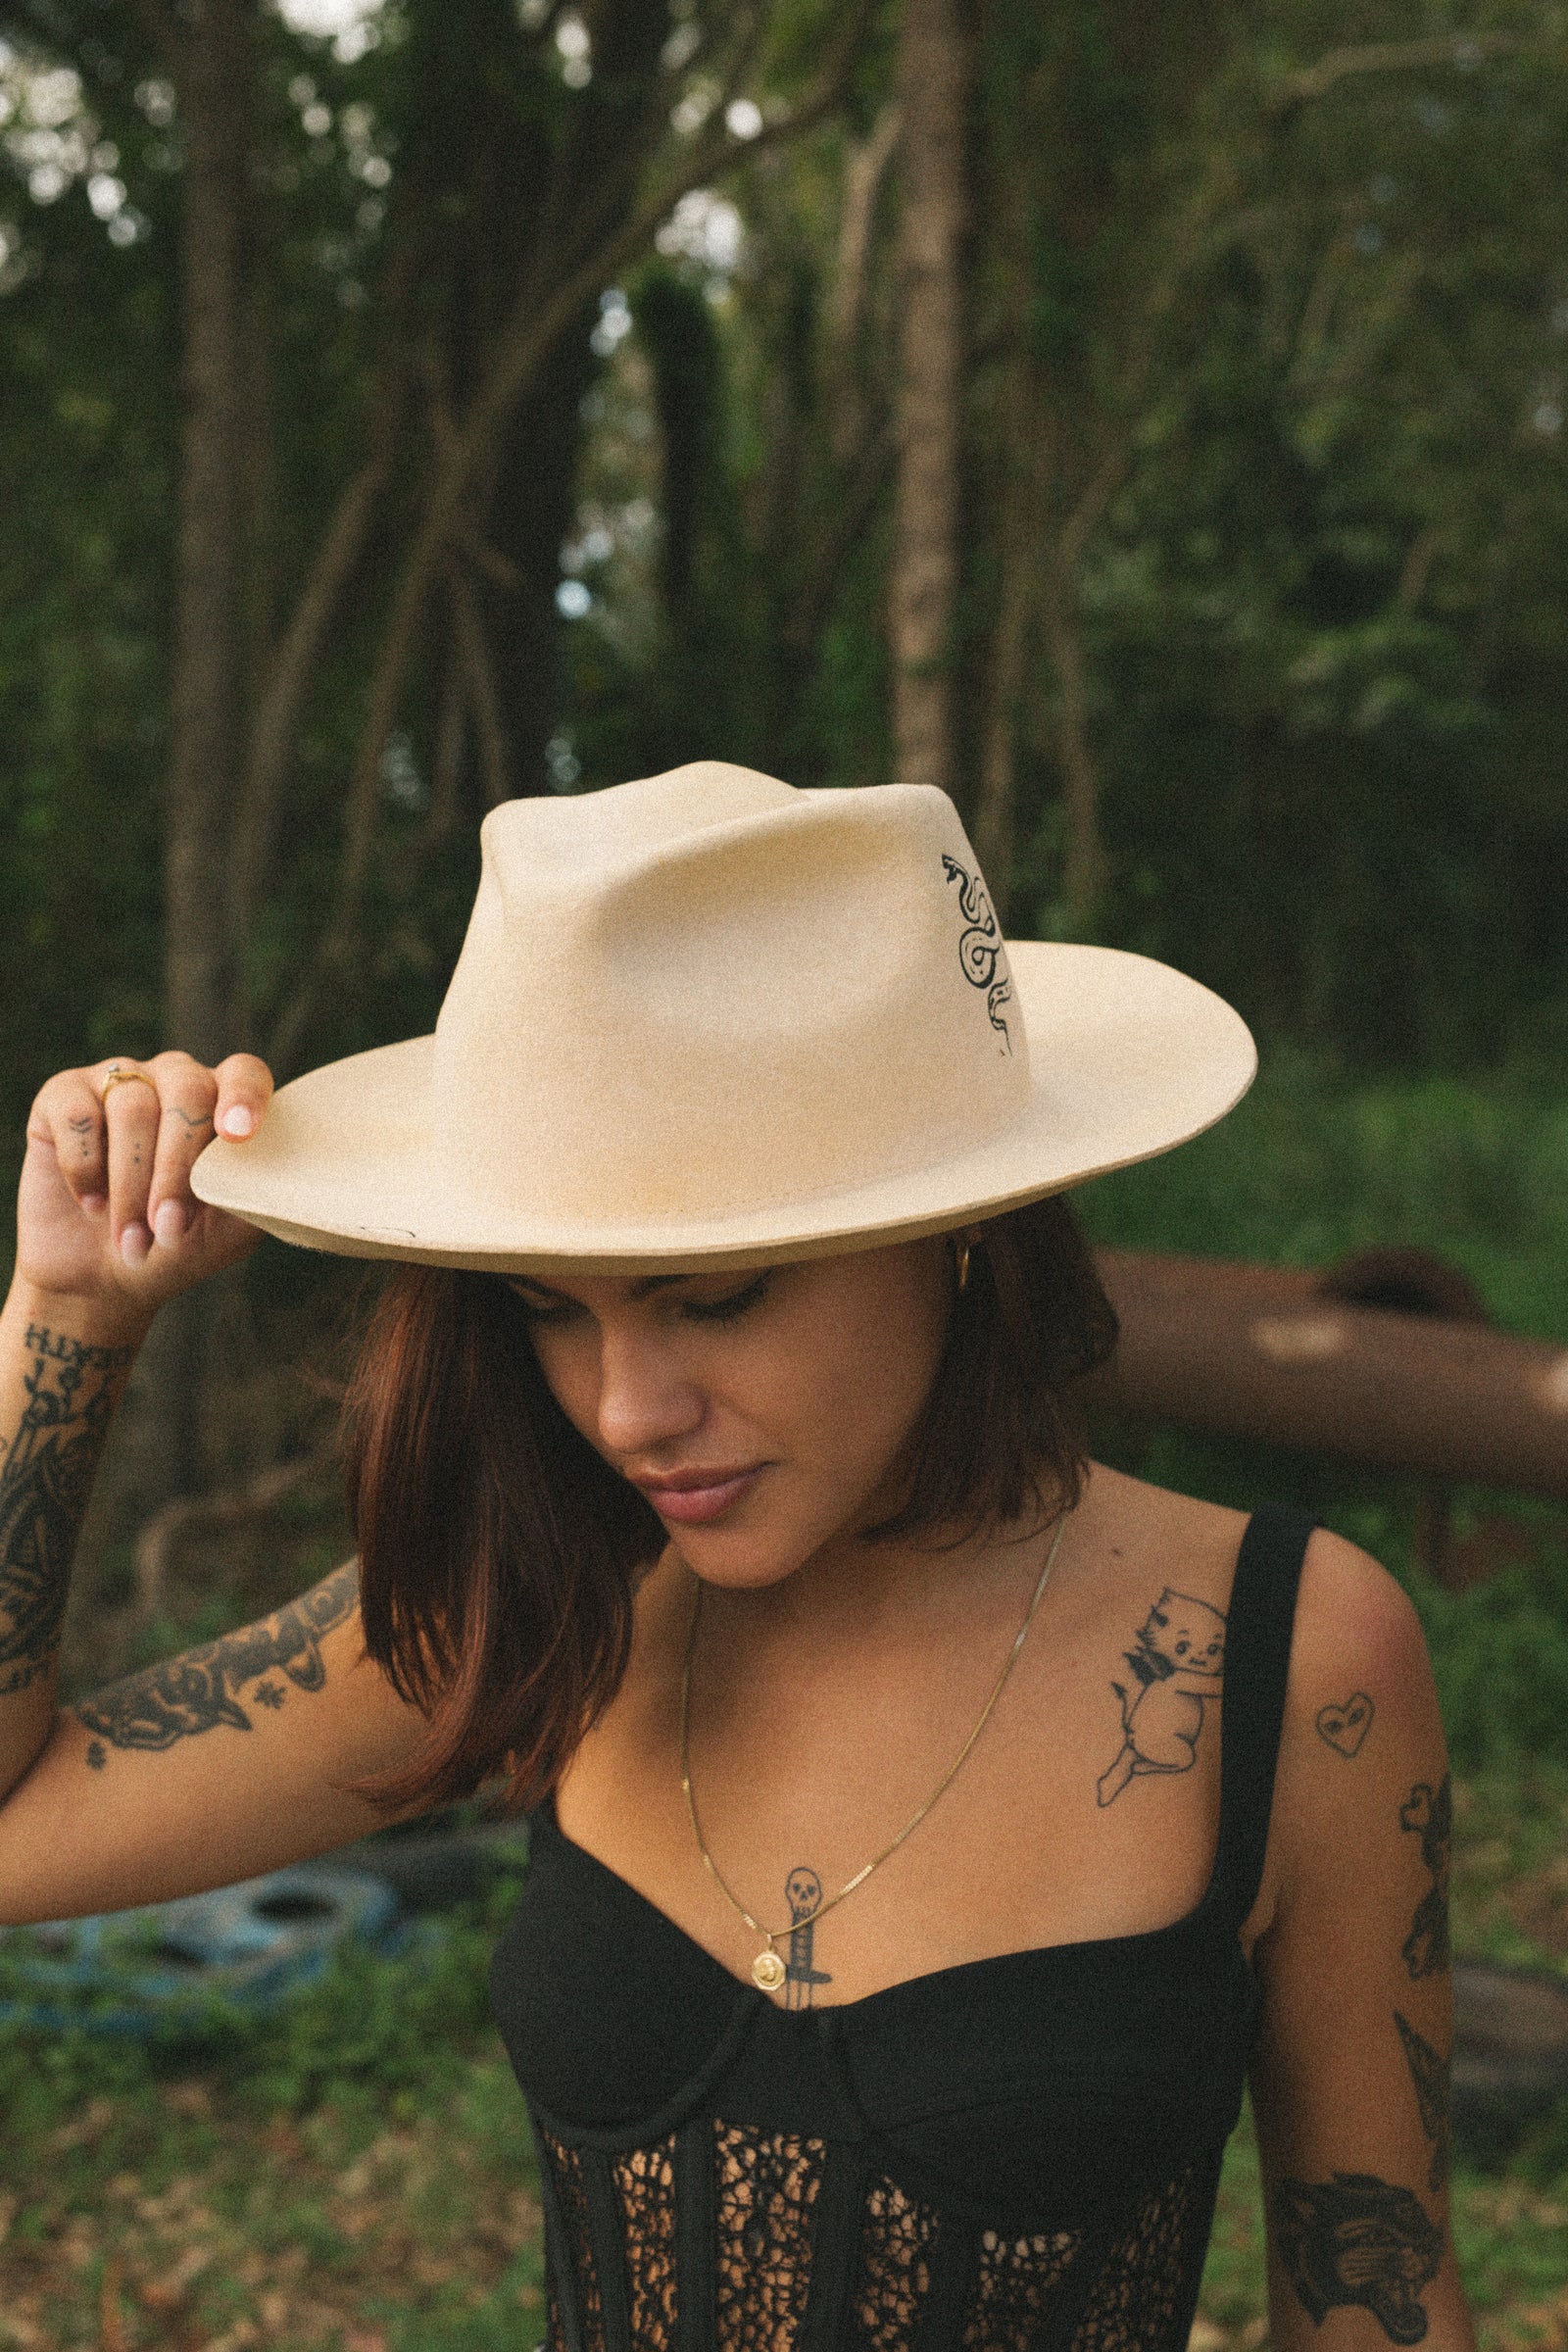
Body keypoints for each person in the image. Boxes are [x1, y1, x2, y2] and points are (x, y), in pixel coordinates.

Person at [0, 761, 1472, 2352]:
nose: (631, 1413)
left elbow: (1373, 2300)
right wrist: (68, 1322)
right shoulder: (555, 1596)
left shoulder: (1287, 1661)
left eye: (720, 1298)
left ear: (957, 1225)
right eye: (553, 1307)